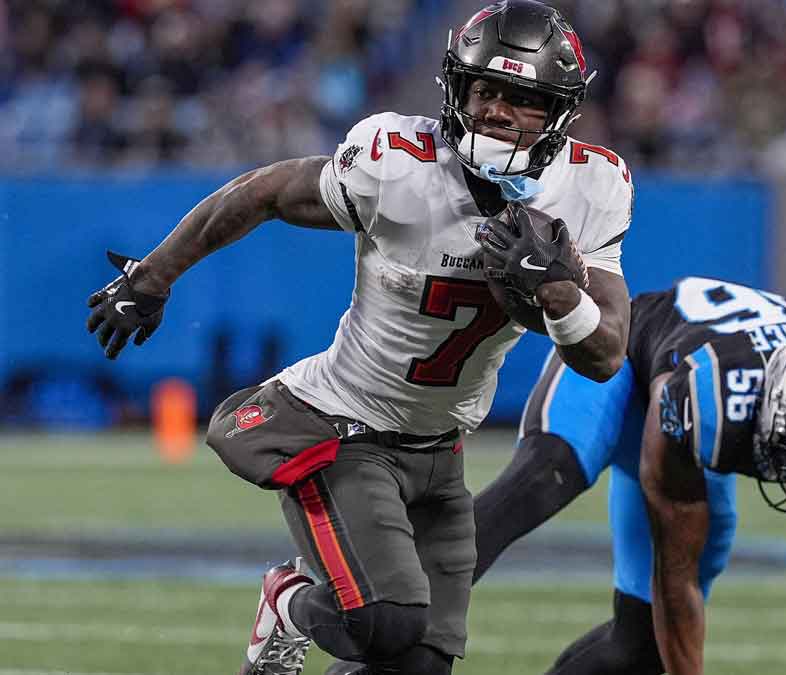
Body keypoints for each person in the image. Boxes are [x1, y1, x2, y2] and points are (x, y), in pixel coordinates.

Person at [84, 2, 633, 674]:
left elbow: (604, 355)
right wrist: (154, 275)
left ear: (558, 114)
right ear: (456, 90)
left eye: (523, 100)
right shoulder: (397, 163)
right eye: (487, 90)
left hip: (440, 450)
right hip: (344, 426)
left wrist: (556, 291)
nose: (497, 111)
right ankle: (290, 602)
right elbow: (266, 191)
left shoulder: (591, 186)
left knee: (417, 662)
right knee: (383, 618)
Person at [472, 277, 786, 675]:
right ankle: (408, 611)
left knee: (642, 646)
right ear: (780, 401)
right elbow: (675, 568)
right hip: (621, 364)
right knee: (542, 477)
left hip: (682, 422)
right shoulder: (714, 398)